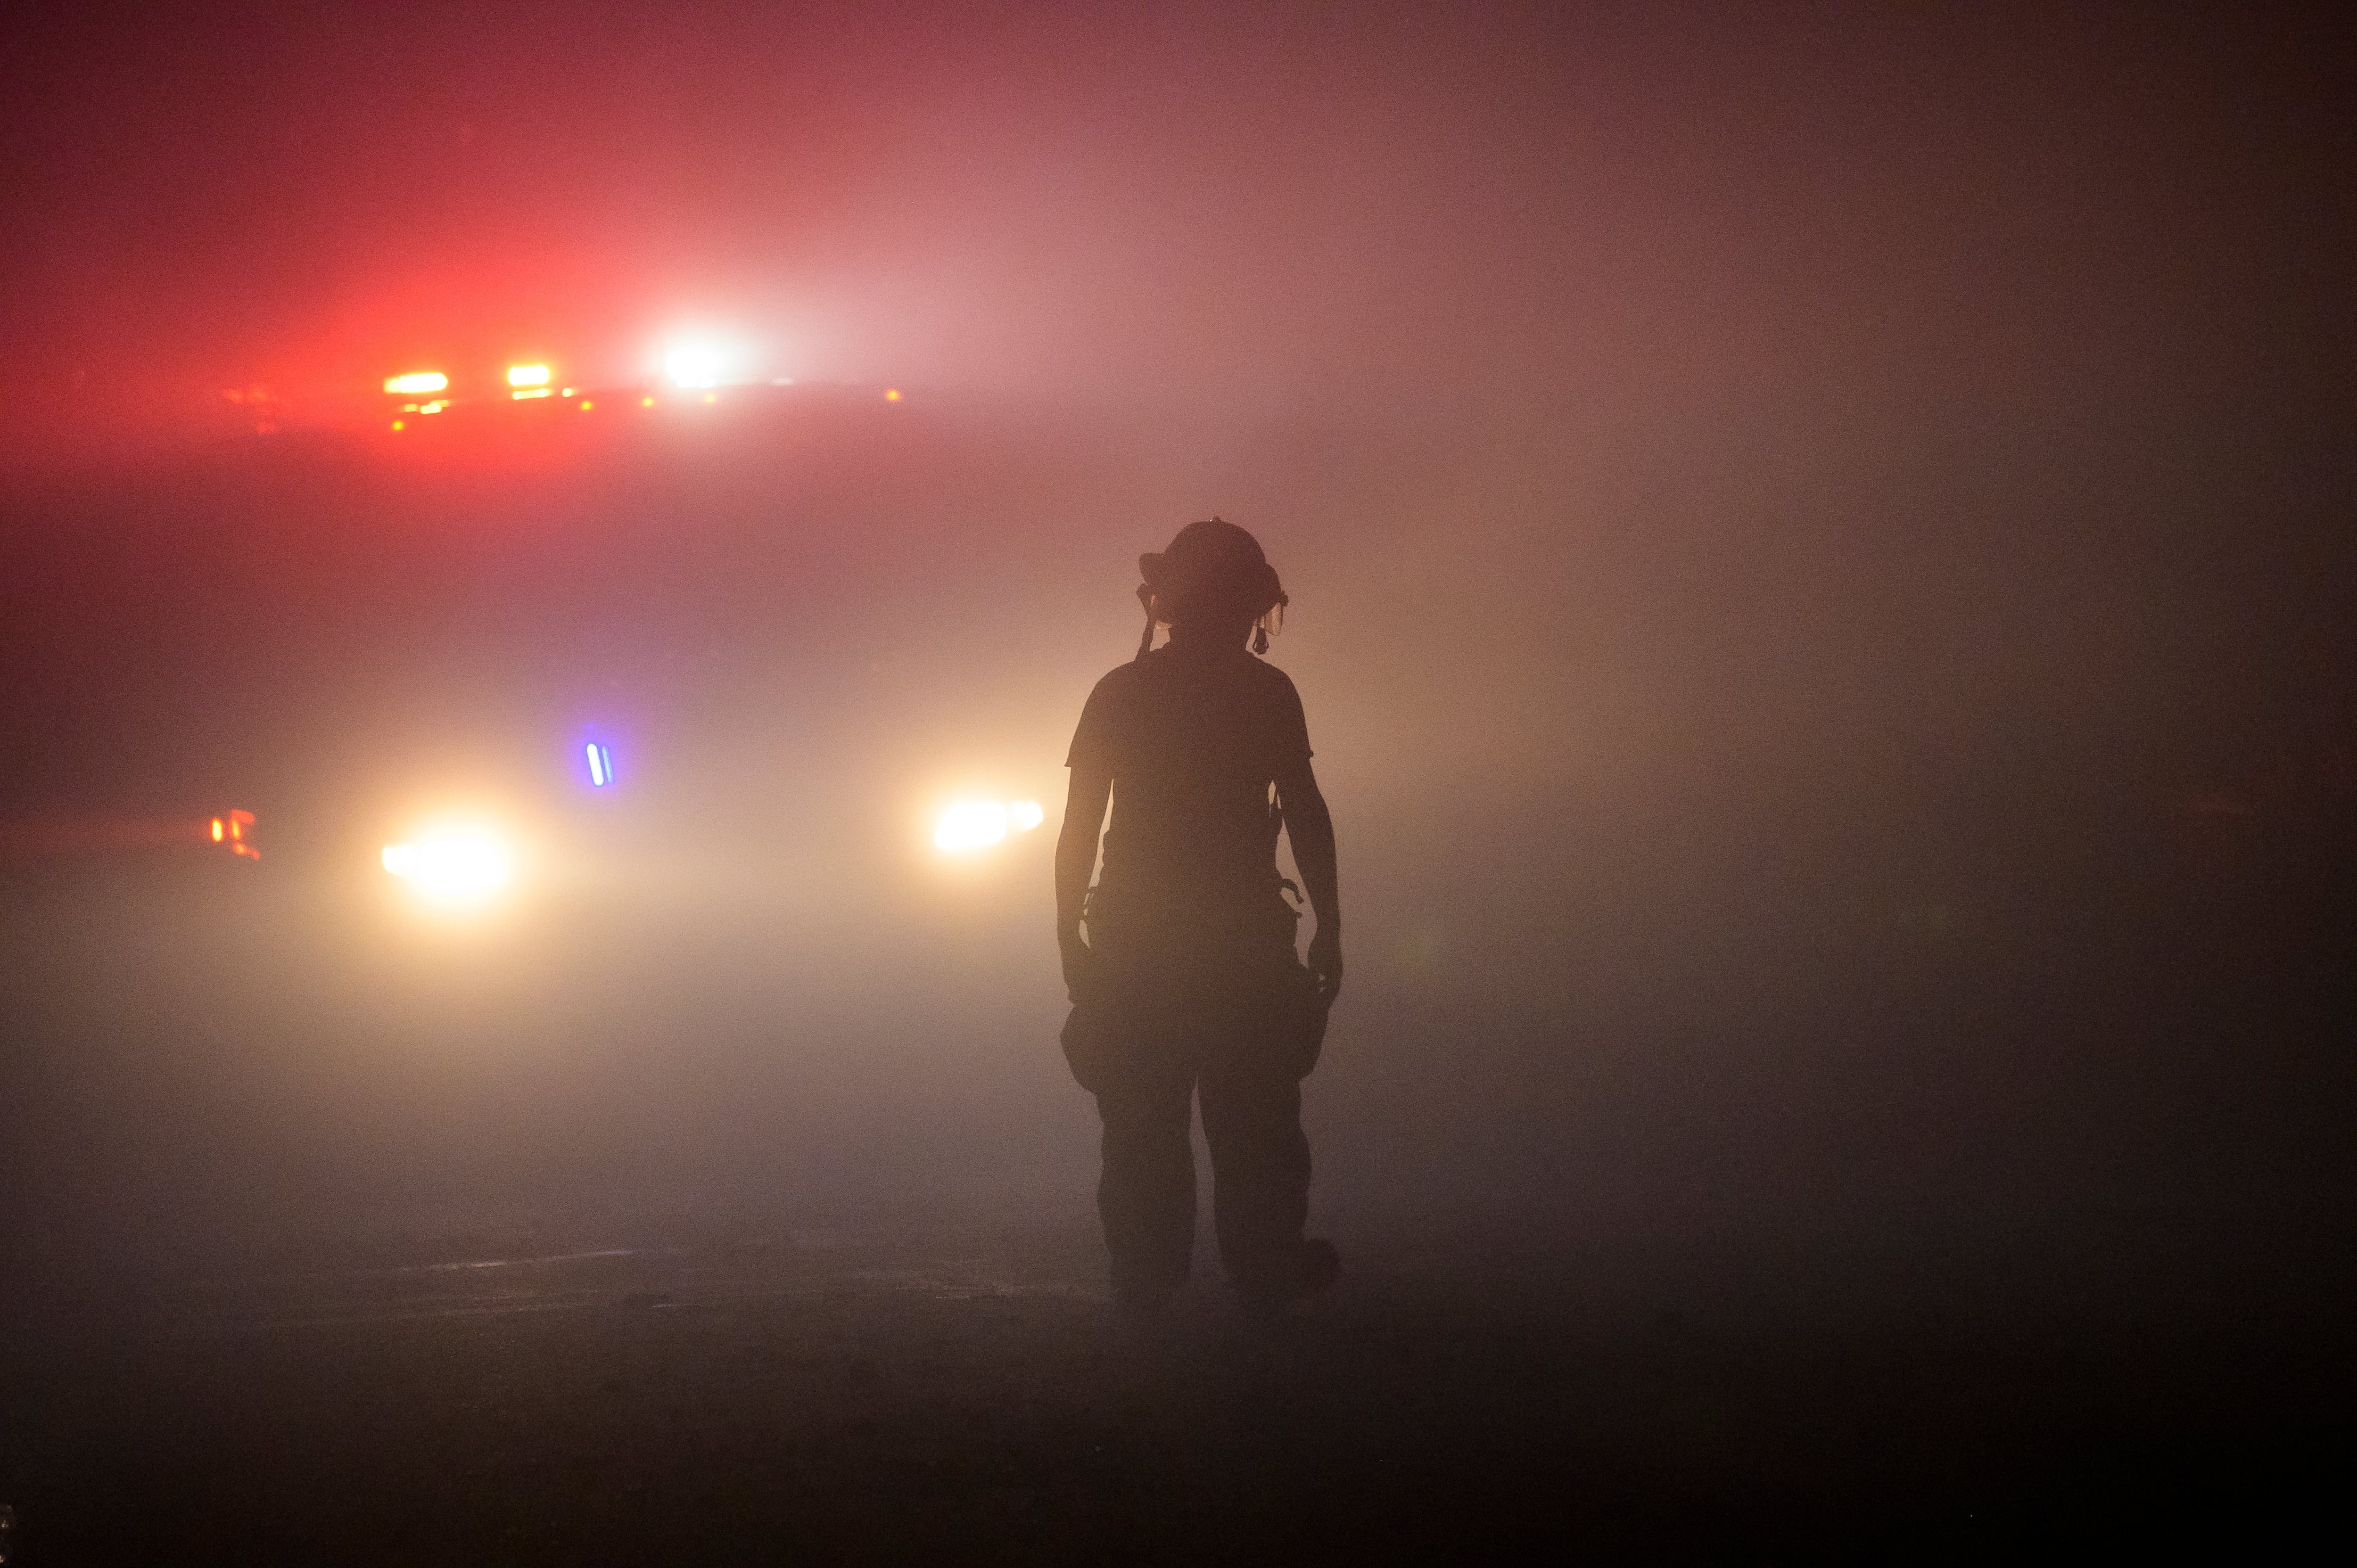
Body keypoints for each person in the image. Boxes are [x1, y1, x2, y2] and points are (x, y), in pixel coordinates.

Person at [1056, 518, 1344, 1312]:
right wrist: (1331, 927)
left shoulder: (1120, 692)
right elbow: (1307, 813)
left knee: (1143, 1129)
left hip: (1136, 941)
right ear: (1250, 603)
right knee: (1256, 1128)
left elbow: (1079, 829)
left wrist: (1067, 939)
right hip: (1242, 943)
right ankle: (1263, 1273)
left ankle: (1148, 1285)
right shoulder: (1266, 693)